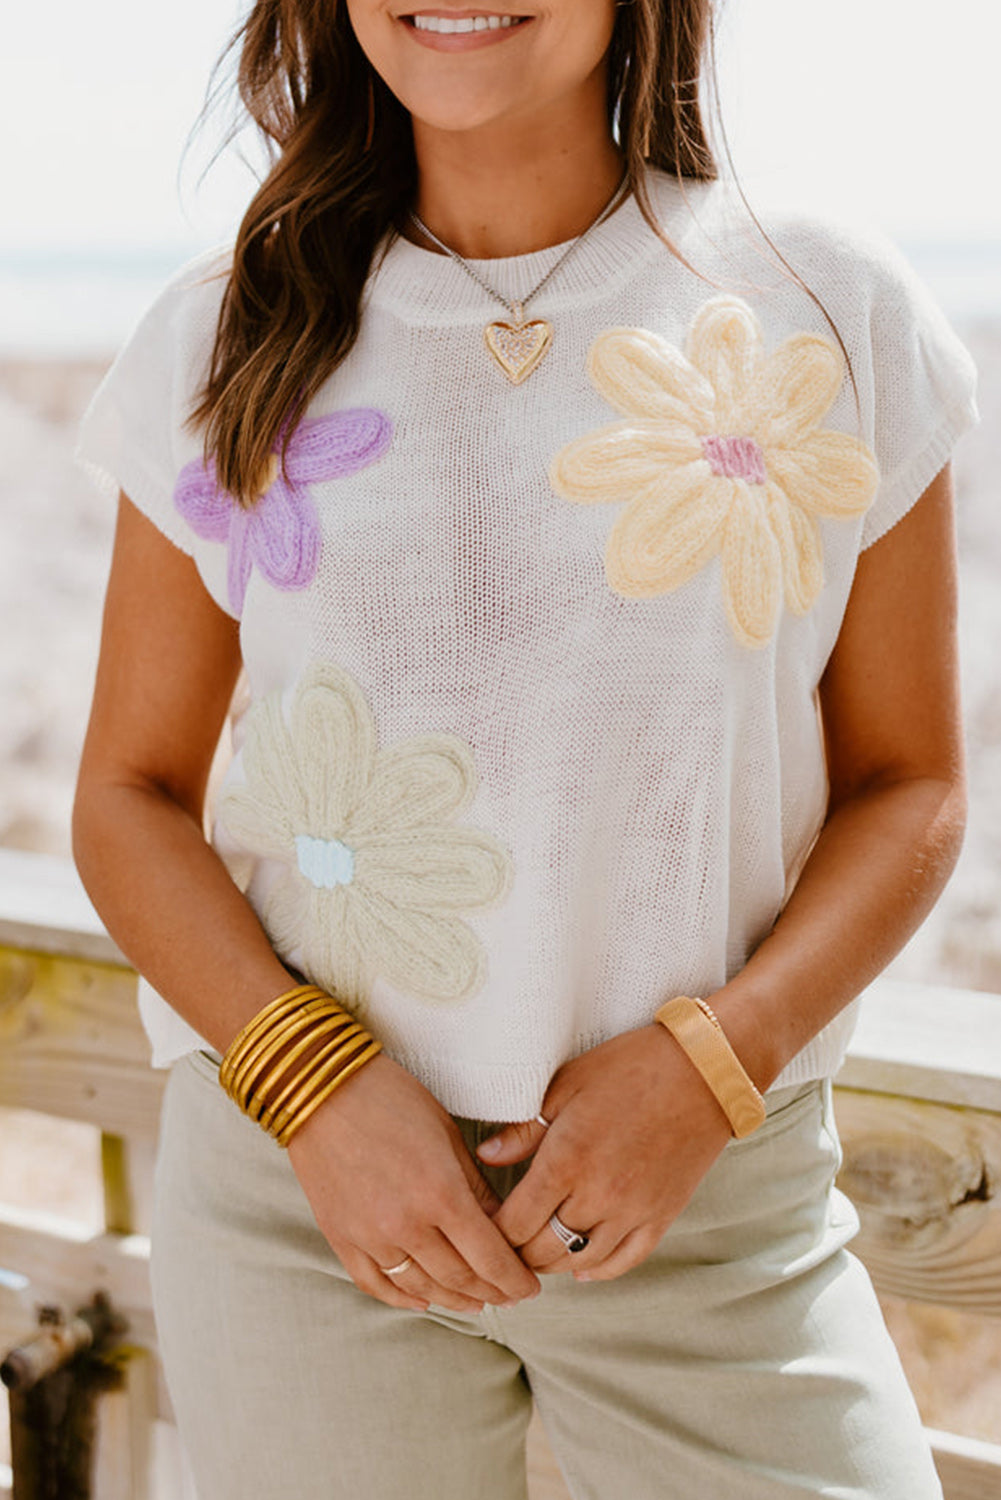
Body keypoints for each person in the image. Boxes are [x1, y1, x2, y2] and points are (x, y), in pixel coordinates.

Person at [72, 1, 977, 1495]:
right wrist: (316, 1093)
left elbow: (914, 783)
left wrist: (711, 1068)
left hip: (710, 1207)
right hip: (306, 1202)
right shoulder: (227, 332)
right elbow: (125, 795)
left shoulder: (822, 306)